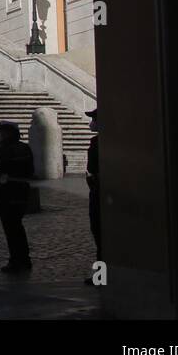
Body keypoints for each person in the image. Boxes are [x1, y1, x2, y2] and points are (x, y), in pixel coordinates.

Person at [0, 120, 35, 274]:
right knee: (18, 227)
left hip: (6, 192)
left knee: (11, 228)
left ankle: (16, 260)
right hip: (22, 191)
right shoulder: (25, 147)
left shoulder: (2, 149)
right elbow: (30, 170)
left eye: (1, 132)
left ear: (7, 133)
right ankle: (25, 259)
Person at [85, 108, 101, 261]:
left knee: (99, 233)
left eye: (94, 119)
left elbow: (91, 167)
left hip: (99, 191)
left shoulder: (96, 142)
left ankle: (101, 277)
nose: (92, 123)